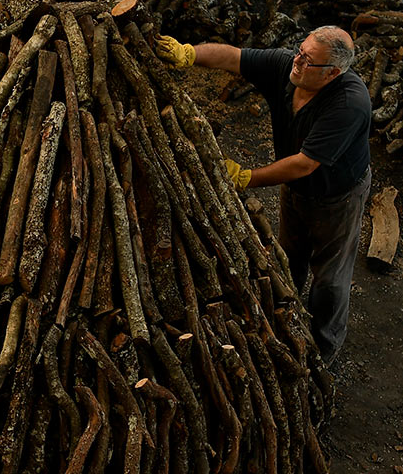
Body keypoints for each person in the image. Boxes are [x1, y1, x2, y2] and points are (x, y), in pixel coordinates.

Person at [155, 26, 372, 364]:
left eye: (308, 60)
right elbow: (234, 57)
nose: (297, 61)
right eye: (300, 51)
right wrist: (190, 53)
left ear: (332, 73)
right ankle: (288, 317)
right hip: (297, 190)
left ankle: (324, 349)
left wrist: (246, 178)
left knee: (330, 278)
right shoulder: (289, 66)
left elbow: (304, 164)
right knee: (289, 256)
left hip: (337, 197)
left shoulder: (349, 104)